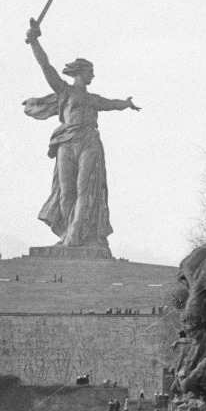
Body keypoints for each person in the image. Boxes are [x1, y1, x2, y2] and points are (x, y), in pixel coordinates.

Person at [23, 19, 140, 250]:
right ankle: (67, 232)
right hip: (66, 143)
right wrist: (34, 41)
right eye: (91, 72)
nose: (93, 76)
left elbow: (112, 103)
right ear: (81, 72)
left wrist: (126, 103)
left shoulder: (93, 99)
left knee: (85, 188)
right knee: (66, 193)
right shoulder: (64, 90)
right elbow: (46, 67)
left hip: (89, 142)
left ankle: (75, 235)